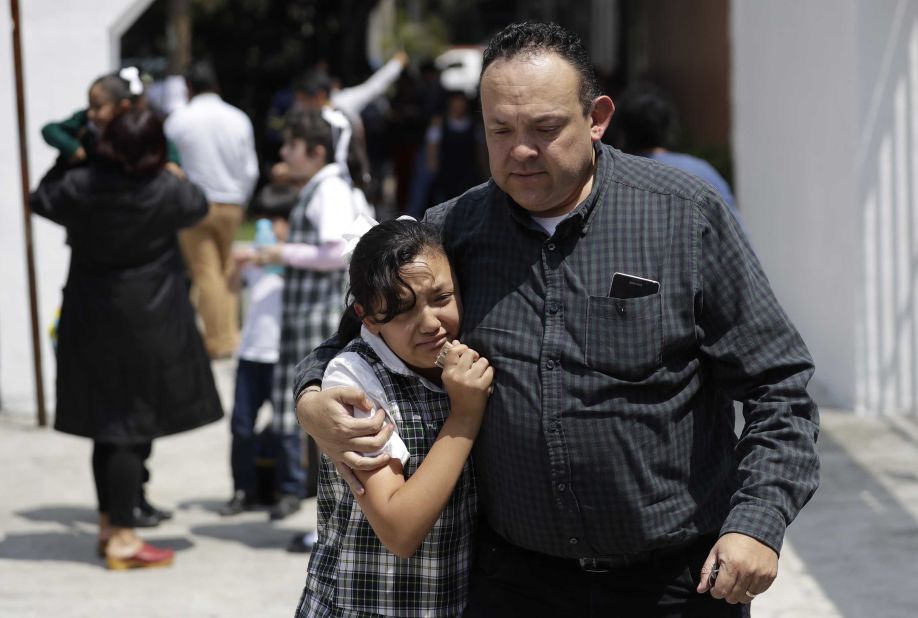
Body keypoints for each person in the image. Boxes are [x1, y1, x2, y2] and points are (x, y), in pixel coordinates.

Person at [295, 21, 819, 616]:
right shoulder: (454, 231)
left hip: (676, 585)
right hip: (515, 583)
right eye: (501, 131)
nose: (521, 150)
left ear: (595, 117)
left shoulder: (683, 218)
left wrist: (757, 520)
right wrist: (311, 397)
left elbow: (779, 387)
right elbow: (359, 334)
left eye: (545, 129)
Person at [30, 108, 223, 569]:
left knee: (107, 423)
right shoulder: (166, 189)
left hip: (91, 316)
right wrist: (171, 166)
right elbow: (198, 202)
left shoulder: (83, 185)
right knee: (130, 429)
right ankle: (121, 537)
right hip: (149, 321)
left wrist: (74, 155)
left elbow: (41, 199)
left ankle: (107, 524)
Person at [296, 217, 492, 616]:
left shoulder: (454, 360)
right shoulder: (354, 378)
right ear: (367, 316)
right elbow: (399, 529)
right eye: (402, 311)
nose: (430, 323)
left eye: (441, 297)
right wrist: (464, 417)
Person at [263, 109, 373, 523]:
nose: (284, 152)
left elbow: (335, 252)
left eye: (291, 146)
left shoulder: (328, 189)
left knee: (315, 404)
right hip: (308, 310)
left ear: (315, 151)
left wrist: (281, 252)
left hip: (316, 312)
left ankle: (310, 500)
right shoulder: (325, 185)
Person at [164, 60, 260, 359]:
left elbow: (170, 166)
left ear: (188, 88)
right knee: (227, 270)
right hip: (232, 202)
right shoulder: (239, 118)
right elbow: (251, 169)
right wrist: (241, 200)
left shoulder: (178, 119)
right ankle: (231, 335)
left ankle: (219, 342)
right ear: (216, 85)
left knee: (206, 273)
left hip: (195, 204)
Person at [220, 201, 293, 516]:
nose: (273, 230)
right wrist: (238, 265)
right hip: (251, 354)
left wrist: (283, 255)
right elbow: (231, 287)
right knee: (241, 427)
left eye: (278, 222)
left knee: (285, 427)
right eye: (268, 222)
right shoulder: (257, 259)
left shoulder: (298, 259)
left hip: (282, 355)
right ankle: (242, 490)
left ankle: (288, 490)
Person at [611, 82, 740, 220]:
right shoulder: (702, 173)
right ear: (667, 126)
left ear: (622, 133)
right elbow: (735, 232)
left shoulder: (612, 180)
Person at [41, 68, 183, 171]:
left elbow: (161, 142)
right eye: (90, 105)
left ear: (123, 107)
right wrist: (72, 147)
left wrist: (172, 163)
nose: (91, 113)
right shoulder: (85, 121)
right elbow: (50, 129)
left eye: (98, 107)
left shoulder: (137, 126)